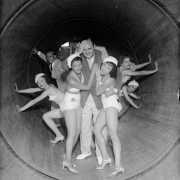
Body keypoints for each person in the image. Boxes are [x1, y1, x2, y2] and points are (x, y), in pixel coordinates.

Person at [62, 37, 110, 164]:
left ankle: (101, 153)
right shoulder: (78, 58)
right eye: (85, 49)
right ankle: (85, 151)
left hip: (98, 96)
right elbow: (63, 66)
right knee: (84, 126)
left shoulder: (102, 57)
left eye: (90, 48)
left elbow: (111, 65)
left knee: (100, 127)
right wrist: (78, 50)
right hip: (84, 97)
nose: (87, 51)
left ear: (94, 46)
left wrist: (94, 47)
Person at [60, 54, 98, 173]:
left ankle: (67, 155)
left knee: (78, 130)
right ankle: (67, 161)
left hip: (77, 102)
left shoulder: (80, 72)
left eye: (79, 64)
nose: (78, 67)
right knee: (71, 133)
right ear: (70, 66)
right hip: (69, 103)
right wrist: (93, 71)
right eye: (75, 66)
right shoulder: (71, 78)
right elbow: (86, 87)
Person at [94, 56, 124, 178]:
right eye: (105, 65)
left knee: (113, 134)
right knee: (96, 129)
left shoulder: (107, 79)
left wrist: (97, 79)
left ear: (112, 70)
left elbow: (97, 92)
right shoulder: (105, 77)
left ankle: (118, 166)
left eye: (109, 67)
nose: (105, 68)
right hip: (106, 105)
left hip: (111, 104)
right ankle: (106, 158)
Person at [15, 73, 64, 143]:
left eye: (41, 81)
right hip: (65, 108)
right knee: (46, 116)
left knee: (46, 116)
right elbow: (32, 90)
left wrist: (21, 109)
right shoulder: (49, 86)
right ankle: (59, 136)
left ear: (45, 80)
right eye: (38, 82)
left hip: (69, 108)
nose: (40, 83)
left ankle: (59, 135)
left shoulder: (48, 90)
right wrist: (19, 91)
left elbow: (34, 101)